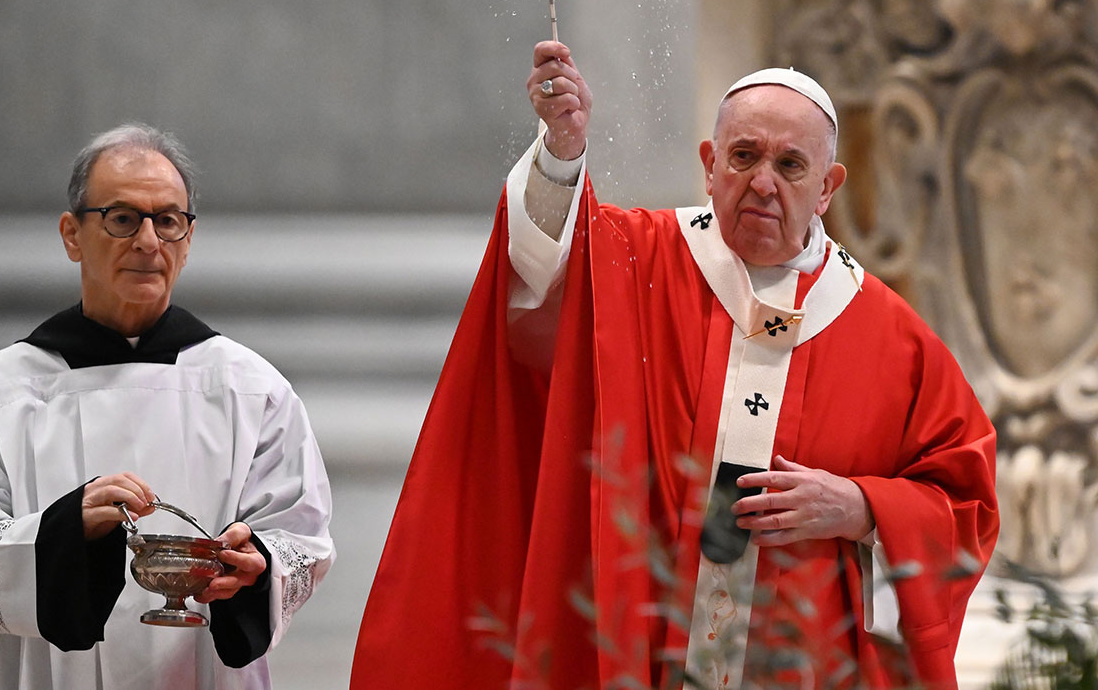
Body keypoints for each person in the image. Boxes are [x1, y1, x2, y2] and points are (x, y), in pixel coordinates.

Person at [351, 42, 998, 689]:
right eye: (743, 157)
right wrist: (563, 153)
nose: (763, 182)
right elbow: (538, 278)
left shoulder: (893, 338)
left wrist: (860, 506)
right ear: (710, 165)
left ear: (828, 187)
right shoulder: (640, 262)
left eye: (791, 165)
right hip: (645, 645)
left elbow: (966, 507)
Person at [0, 123, 334, 689]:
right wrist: (64, 532)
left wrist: (258, 567)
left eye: (168, 220)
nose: (149, 242)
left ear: (189, 236)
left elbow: (301, 540)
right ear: (72, 234)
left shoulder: (254, 391)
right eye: (123, 218)